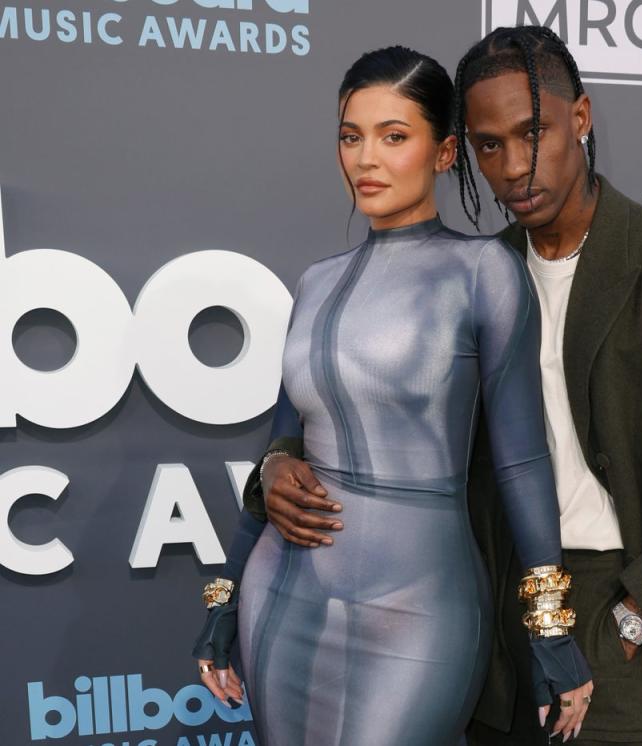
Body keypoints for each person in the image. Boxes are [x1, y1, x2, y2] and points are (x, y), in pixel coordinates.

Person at [244, 26, 642, 746]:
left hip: (608, 598)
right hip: (481, 599)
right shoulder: (471, 271)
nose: (515, 167)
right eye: (490, 145)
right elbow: (330, 407)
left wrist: (634, 610)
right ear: (464, 152)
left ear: (579, 119)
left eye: (534, 134)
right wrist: (276, 463)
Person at [191, 45, 593, 746]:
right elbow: (280, 447)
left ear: (443, 154)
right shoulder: (315, 282)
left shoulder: (484, 274)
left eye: (393, 136)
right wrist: (224, 595)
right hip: (283, 596)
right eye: (352, 136)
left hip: (420, 609)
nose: (365, 158)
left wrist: (550, 626)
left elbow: (523, 462)